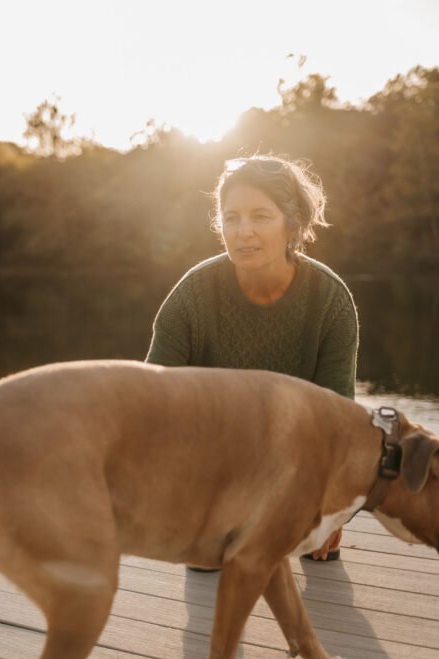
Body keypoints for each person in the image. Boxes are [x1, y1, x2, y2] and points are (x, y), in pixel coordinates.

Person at [146, 154, 359, 563]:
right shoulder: (192, 296)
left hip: (295, 476)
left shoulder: (330, 301)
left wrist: (332, 508)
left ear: (292, 224)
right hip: (209, 473)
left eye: (261, 216)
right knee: (209, 564)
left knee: (320, 563)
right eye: (231, 218)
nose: (243, 232)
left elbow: (340, 420)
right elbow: (151, 405)